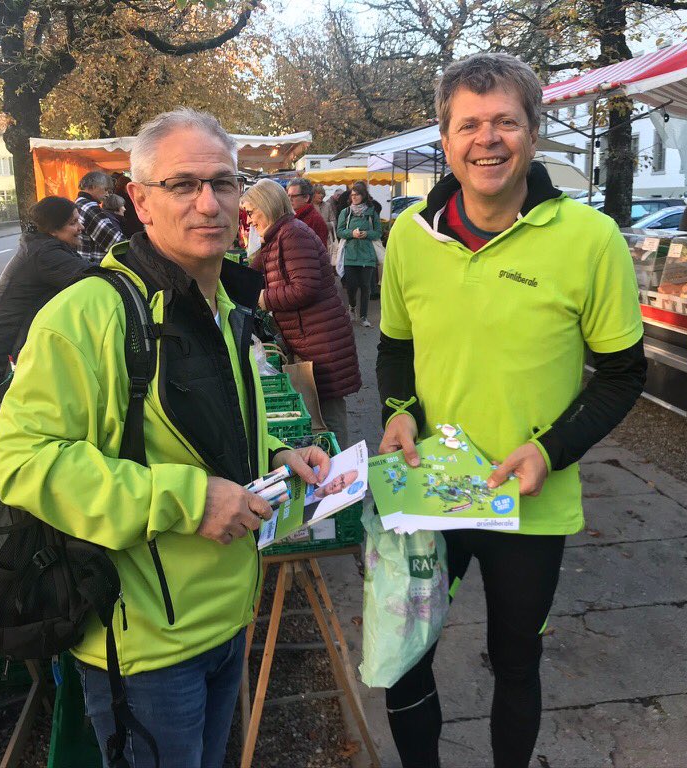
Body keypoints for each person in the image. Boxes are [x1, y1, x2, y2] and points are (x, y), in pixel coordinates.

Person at [0, 108, 332, 768]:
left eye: (224, 182)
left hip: (228, 618)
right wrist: (189, 500)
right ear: (140, 202)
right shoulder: (85, 314)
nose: (208, 203)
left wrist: (274, 456)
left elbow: (203, 427)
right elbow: (23, 463)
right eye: (182, 184)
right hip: (146, 648)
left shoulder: (225, 304)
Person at [377, 53, 646, 768]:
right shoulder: (408, 236)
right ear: (446, 139)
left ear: (533, 131)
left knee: (516, 662)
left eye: (505, 121)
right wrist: (398, 412)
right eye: (469, 124)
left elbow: (624, 374)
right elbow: (395, 346)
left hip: (528, 504)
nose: (487, 139)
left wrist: (551, 449)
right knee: (404, 658)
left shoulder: (590, 239)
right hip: (428, 492)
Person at [243, 179, 361, 448]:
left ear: (266, 206)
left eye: (251, 212)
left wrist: (262, 298)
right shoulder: (277, 237)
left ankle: (344, 467)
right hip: (310, 338)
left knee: (327, 414)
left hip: (321, 340)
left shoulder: (293, 235)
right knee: (318, 410)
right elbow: (252, 273)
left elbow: (304, 289)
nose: (248, 220)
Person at [0, 196, 88, 391]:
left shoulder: (44, 245)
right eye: (73, 222)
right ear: (53, 229)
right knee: (12, 400)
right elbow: (92, 276)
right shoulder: (45, 254)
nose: (81, 227)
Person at [336, 183, 382, 327]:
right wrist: (352, 233)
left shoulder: (372, 212)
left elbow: (378, 232)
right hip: (350, 255)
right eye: (352, 195)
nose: (354, 197)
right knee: (351, 286)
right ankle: (352, 307)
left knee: (365, 286)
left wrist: (367, 234)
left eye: (357, 195)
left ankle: (364, 316)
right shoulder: (346, 212)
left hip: (367, 255)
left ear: (363, 196)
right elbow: (339, 231)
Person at [75, 170, 125, 263]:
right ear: (93, 186)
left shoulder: (79, 203)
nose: (107, 194)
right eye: (105, 189)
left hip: (82, 262)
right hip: (93, 265)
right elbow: (115, 242)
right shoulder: (89, 207)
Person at [286, 178, 329, 244]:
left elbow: (320, 247)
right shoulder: (288, 216)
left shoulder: (315, 220)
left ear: (306, 197)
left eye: (294, 196)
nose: (290, 199)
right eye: (288, 196)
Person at [111, 172, 145, 237]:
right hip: (131, 226)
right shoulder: (124, 197)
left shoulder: (116, 196)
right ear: (125, 185)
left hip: (126, 226)